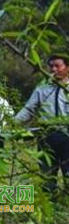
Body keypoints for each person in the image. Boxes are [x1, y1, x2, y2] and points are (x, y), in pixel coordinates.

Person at [15, 54, 69, 196]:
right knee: (47, 174)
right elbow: (29, 109)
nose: (53, 69)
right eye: (51, 66)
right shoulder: (43, 87)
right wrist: (12, 123)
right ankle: (50, 204)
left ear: (67, 67)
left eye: (58, 66)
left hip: (67, 137)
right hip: (47, 136)